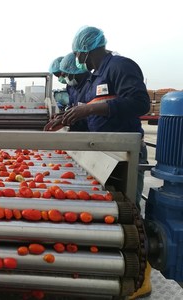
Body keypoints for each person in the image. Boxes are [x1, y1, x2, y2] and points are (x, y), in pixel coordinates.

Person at [64, 26, 151, 299]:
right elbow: (93, 114)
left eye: (78, 51)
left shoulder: (120, 66)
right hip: (104, 152)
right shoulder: (96, 76)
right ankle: (113, 265)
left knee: (131, 214)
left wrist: (88, 108)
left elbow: (140, 103)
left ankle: (142, 278)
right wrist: (70, 118)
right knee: (113, 212)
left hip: (125, 152)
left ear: (85, 50)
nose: (77, 56)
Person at [44, 52, 91, 132]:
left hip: (90, 130)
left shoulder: (90, 84)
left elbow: (92, 112)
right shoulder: (71, 87)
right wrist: (64, 115)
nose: (61, 78)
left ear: (71, 70)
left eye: (63, 75)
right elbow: (73, 107)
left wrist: (67, 120)